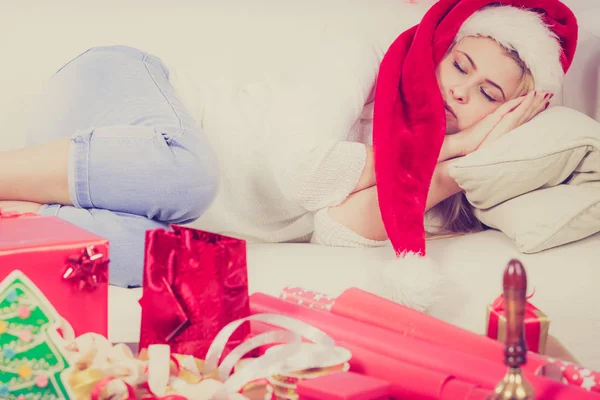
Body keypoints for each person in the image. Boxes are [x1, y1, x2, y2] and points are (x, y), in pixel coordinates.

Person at [0, 0, 578, 303]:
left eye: (489, 96)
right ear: (437, 50)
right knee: (188, 175)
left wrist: (455, 166)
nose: (460, 90)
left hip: (127, 197)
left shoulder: (428, 188)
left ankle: (22, 223)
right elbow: (307, 173)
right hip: (121, 99)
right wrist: (459, 140)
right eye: (460, 65)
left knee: (180, 267)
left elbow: (336, 234)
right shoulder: (362, 64)